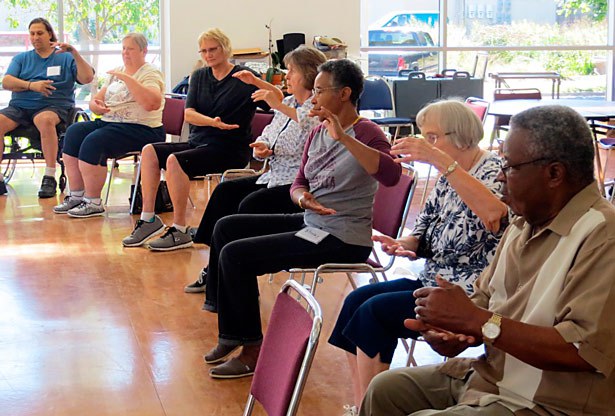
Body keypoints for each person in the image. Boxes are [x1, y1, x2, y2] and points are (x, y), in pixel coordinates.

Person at [360, 105, 615, 416]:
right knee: (385, 390)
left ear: (554, 174)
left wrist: (479, 322)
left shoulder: (602, 236)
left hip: (549, 400)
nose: (499, 175)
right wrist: (454, 332)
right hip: (495, 376)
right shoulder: (523, 224)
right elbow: (485, 298)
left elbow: (581, 350)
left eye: (509, 166)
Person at [201, 59, 402, 379]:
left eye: (320, 91)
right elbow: (298, 182)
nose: (313, 98)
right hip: (312, 222)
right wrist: (301, 198)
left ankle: (251, 349)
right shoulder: (317, 131)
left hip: (344, 236)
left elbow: (391, 175)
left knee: (237, 255)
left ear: (345, 94)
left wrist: (344, 137)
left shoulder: (368, 132)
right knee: (226, 228)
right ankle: (233, 334)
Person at [329, 100, 509, 416]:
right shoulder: (448, 174)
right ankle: (362, 403)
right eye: (424, 136)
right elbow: (424, 228)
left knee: (374, 313)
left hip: (467, 292)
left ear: (460, 136)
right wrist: (404, 243)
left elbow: (494, 220)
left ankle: (370, 408)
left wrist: (442, 162)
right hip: (433, 279)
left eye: (433, 137)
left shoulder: (491, 172)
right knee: (355, 301)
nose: (426, 144)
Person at [183, 45, 327, 293]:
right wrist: (262, 146)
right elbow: (268, 133)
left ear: (308, 74)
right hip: (274, 175)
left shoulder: (317, 107)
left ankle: (234, 273)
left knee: (248, 205)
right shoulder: (289, 101)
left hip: (298, 185)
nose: (286, 76)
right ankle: (216, 264)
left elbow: (308, 122)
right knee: (225, 191)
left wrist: (277, 105)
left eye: (291, 71)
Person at [120, 28, 268, 251]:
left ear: (225, 48)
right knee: (150, 151)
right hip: (199, 142)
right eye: (204, 51)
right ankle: (148, 218)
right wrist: (212, 122)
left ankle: (179, 229)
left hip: (230, 148)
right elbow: (189, 114)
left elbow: (276, 99)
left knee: (174, 161)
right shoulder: (199, 76)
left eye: (212, 49)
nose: (208, 55)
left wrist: (257, 82)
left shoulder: (244, 77)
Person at [53, 33, 165, 217]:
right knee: (73, 132)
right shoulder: (118, 71)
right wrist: (96, 105)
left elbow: (152, 103)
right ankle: (76, 195)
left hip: (142, 128)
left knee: (94, 141)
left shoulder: (150, 73)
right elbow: (96, 100)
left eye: (130, 49)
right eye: (123, 48)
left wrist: (128, 79)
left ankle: (93, 201)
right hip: (110, 122)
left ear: (144, 51)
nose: (125, 53)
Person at [0, 17, 95, 197]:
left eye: (39, 33)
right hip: (20, 106)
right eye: (32, 34)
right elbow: (6, 82)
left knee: (44, 120)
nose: (35, 37)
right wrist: (31, 85)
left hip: (54, 105)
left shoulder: (65, 57)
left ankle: (49, 175)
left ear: (49, 34)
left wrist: (74, 52)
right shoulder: (22, 58)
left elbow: (87, 78)